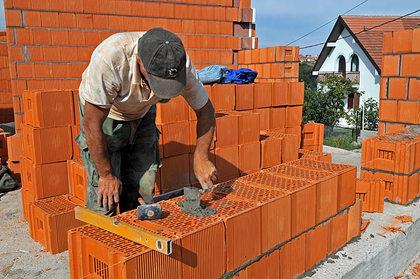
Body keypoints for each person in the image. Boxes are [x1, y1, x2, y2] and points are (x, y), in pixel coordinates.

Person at [76, 28, 217, 216]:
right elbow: (92, 124)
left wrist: (201, 156)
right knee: (105, 199)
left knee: (142, 191)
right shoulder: (110, 59)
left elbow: (206, 110)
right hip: (106, 114)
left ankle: (134, 232)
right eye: (158, 81)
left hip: (143, 110)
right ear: (140, 61)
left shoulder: (181, 65)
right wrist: (106, 174)